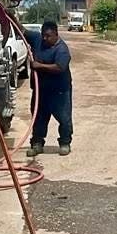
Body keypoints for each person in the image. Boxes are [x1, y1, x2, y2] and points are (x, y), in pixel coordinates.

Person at [27, 19, 73, 156]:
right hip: (40, 90)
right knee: (38, 117)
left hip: (59, 91)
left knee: (64, 118)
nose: (45, 38)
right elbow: (22, 31)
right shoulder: (37, 39)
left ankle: (65, 143)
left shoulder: (62, 49)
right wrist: (9, 15)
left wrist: (39, 66)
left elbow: (60, 67)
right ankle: (37, 143)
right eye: (43, 35)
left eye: (48, 36)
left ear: (56, 34)